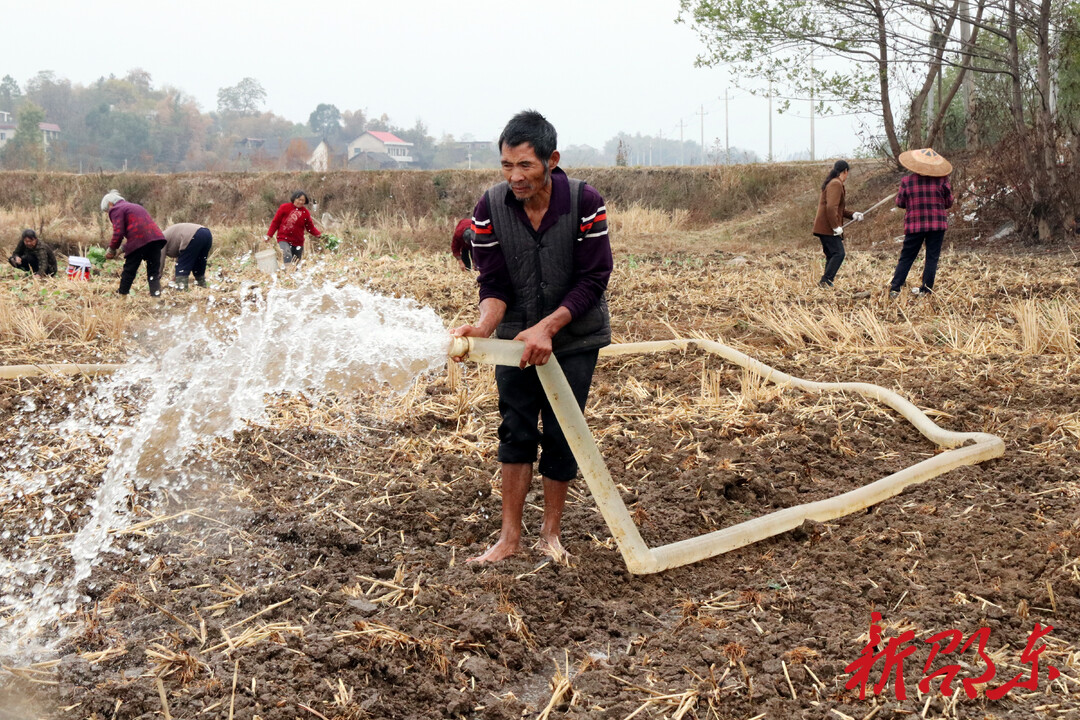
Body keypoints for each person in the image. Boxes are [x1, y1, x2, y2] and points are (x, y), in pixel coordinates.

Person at [451, 110, 613, 564]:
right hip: (514, 340)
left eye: (525, 165)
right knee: (515, 429)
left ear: (551, 160)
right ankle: (509, 539)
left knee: (563, 431)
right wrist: (484, 327)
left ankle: (550, 535)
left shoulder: (585, 201)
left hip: (574, 336)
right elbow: (493, 283)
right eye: (507, 165)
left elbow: (594, 277)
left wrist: (549, 327)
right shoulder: (489, 207)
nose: (515, 177)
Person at [889, 148, 953, 298]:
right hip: (937, 225)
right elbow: (949, 202)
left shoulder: (907, 181)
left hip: (914, 225)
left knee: (907, 256)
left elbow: (900, 202)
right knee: (932, 257)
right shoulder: (942, 181)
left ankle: (895, 288)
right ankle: (926, 290)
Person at [101, 191, 167, 296]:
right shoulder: (135, 207)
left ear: (110, 204)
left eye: (107, 210)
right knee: (153, 273)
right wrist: (122, 249)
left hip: (140, 241)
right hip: (156, 240)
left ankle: (122, 296)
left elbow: (118, 233)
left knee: (129, 271)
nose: (108, 213)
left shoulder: (116, 209)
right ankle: (156, 299)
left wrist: (111, 250)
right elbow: (142, 232)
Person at [812, 160, 863, 288]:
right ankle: (826, 281)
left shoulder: (833, 182)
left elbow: (838, 209)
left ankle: (825, 283)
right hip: (827, 227)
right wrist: (835, 226)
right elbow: (831, 208)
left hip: (823, 227)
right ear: (845, 171)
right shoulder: (836, 183)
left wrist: (853, 215)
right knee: (839, 253)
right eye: (847, 173)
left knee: (831, 255)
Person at [265, 190, 320, 265]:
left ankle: (293, 271)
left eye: (303, 200)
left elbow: (310, 227)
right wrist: (269, 235)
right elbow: (276, 222)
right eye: (299, 199)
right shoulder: (284, 207)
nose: (300, 202)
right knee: (287, 255)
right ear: (294, 199)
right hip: (283, 238)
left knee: (296, 262)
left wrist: (319, 235)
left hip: (298, 241)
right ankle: (288, 270)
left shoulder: (305, 213)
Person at [162, 223, 213, 290]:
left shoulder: (159, 241)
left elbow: (159, 262)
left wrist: (155, 281)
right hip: (207, 234)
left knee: (183, 268)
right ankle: (202, 287)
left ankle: (181, 290)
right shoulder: (166, 235)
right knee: (199, 265)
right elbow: (182, 256)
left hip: (193, 235)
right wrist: (175, 278)